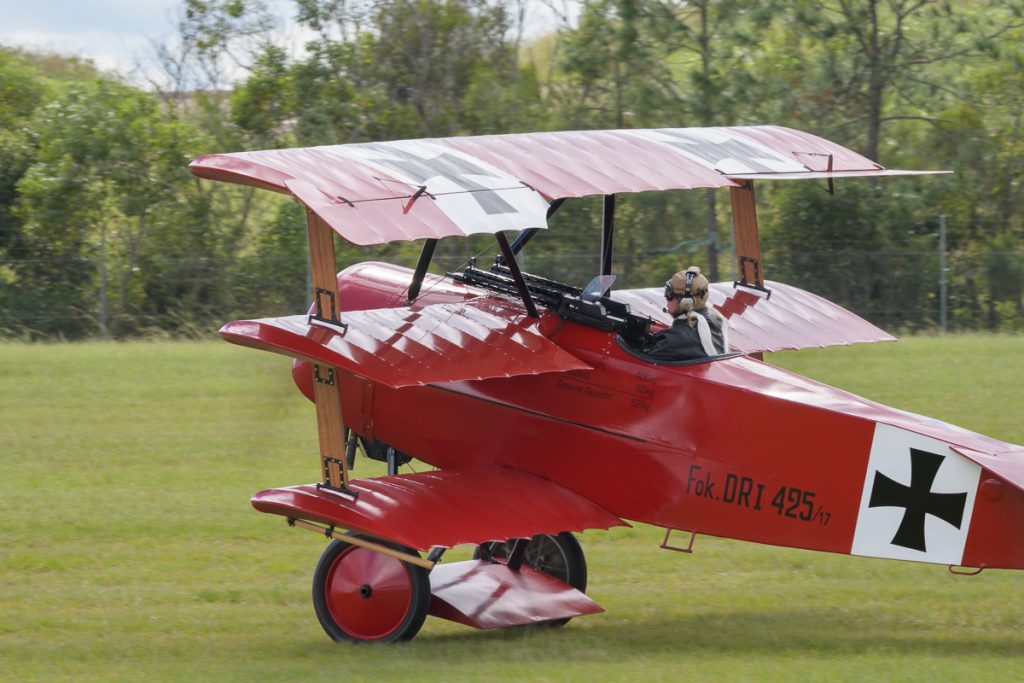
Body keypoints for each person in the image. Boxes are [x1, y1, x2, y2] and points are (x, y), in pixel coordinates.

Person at [642, 266, 728, 361]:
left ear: (686, 302)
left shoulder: (675, 339)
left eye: (669, 294)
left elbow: (645, 361)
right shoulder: (715, 319)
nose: (666, 298)